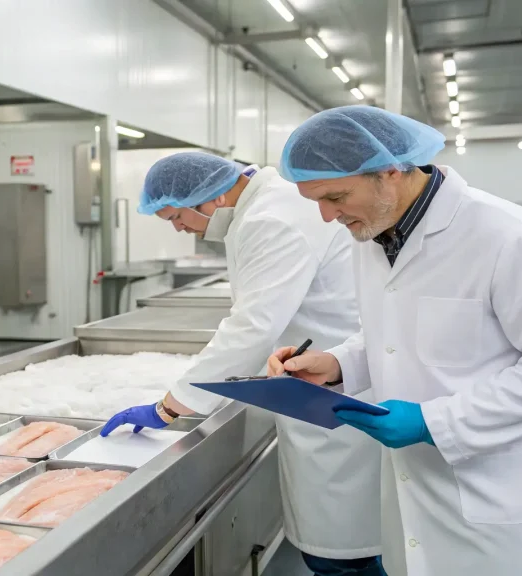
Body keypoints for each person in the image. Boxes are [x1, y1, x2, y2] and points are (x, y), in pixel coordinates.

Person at [266, 105, 522, 576]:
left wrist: (435, 422)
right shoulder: (372, 236)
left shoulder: (510, 237)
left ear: (389, 172)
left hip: (501, 498)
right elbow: (393, 334)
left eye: (336, 197)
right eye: (316, 202)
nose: (327, 217)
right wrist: (339, 364)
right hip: (416, 491)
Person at [102, 151, 385, 575]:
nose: (181, 228)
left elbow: (253, 325)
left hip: (335, 389)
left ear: (210, 199)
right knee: (341, 543)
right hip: (317, 376)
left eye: (176, 217)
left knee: (343, 551)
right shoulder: (266, 204)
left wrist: (171, 405)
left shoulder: (270, 218)